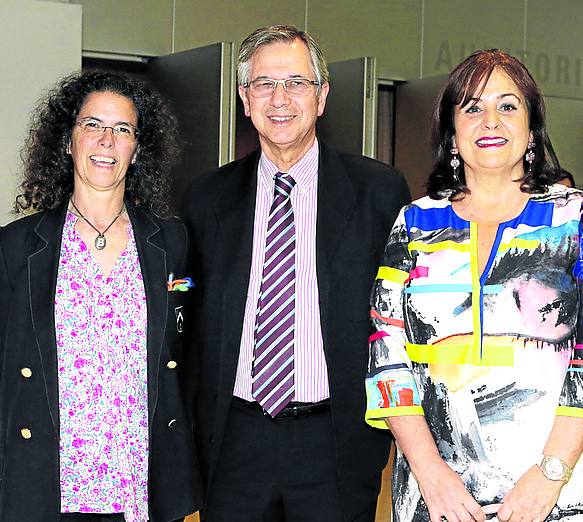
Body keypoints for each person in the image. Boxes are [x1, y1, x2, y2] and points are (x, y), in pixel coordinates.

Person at [181, 25, 410, 521]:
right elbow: (192, 333)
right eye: (263, 84)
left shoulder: (379, 193)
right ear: (244, 99)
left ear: (322, 95)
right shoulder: (205, 200)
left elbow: (398, 321)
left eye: (296, 83)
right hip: (234, 442)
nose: (279, 98)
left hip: (335, 442)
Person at [366, 49, 583, 522]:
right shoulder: (414, 223)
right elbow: (387, 358)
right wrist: (430, 474)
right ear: (452, 134)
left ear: (532, 130)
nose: (491, 120)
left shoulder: (575, 219)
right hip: (435, 496)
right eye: (472, 107)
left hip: (558, 492)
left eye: (508, 106)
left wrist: (550, 474)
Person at [0, 71, 202, 521]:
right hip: (49, 486)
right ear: (68, 142)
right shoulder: (17, 247)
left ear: (137, 149)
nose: (106, 140)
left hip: (139, 486)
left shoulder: (172, 244)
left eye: (122, 130)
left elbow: (189, 361)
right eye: (92, 125)